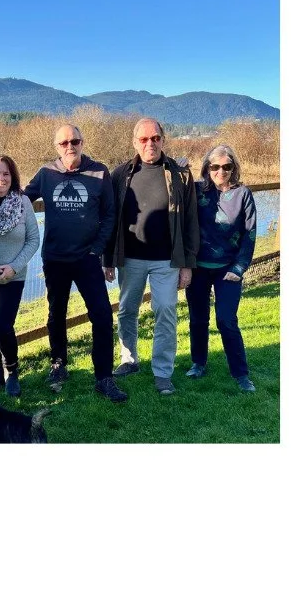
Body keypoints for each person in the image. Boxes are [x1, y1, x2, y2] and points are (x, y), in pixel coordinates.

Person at [25, 124, 124, 401]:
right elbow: (20, 199)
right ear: (56, 146)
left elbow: (110, 214)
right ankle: (59, 364)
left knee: (102, 315)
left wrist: (97, 250)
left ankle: (104, 376)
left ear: (82, 143)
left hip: (87, 258)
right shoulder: (46, 173)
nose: (70, 146)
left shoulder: (99, 171)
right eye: (64, 142)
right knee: (56, 314)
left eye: (75, 141)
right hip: (55, 258)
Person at [103, 117, 199, 396]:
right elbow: (111, 219)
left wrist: (187, 264)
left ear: (163, 140)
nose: (150, 143)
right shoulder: (121, 174)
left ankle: (162, 372)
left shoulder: (180, 175)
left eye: (155, 138)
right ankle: (129, 359)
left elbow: (191, 220)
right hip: (130, 258)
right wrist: (107, 258)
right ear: (135, 143)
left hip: (167, 260)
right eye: (144, 139)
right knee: (127, 310)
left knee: (166, 311)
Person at [185, 144, 257, 392]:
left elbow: (249, 234)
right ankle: (198, 363)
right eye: (215, 167)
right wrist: (177, 169)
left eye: (227, 167)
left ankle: (241, 373)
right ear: (207, 168)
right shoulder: (196, 191)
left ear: (233, 168)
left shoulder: (242, 194)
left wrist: (239, 268)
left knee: (226, 320)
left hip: (228, 269)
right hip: (198, 269)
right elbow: (173, 199)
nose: (221, 171)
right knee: (198, 318)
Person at [0, 154, 40, 398]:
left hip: (14, 276)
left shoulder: (23, 202)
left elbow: (33, 239)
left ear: (12, 176)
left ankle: (11, 371)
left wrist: (14, 266)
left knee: (3, 326)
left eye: (6, 174)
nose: (1, 178)